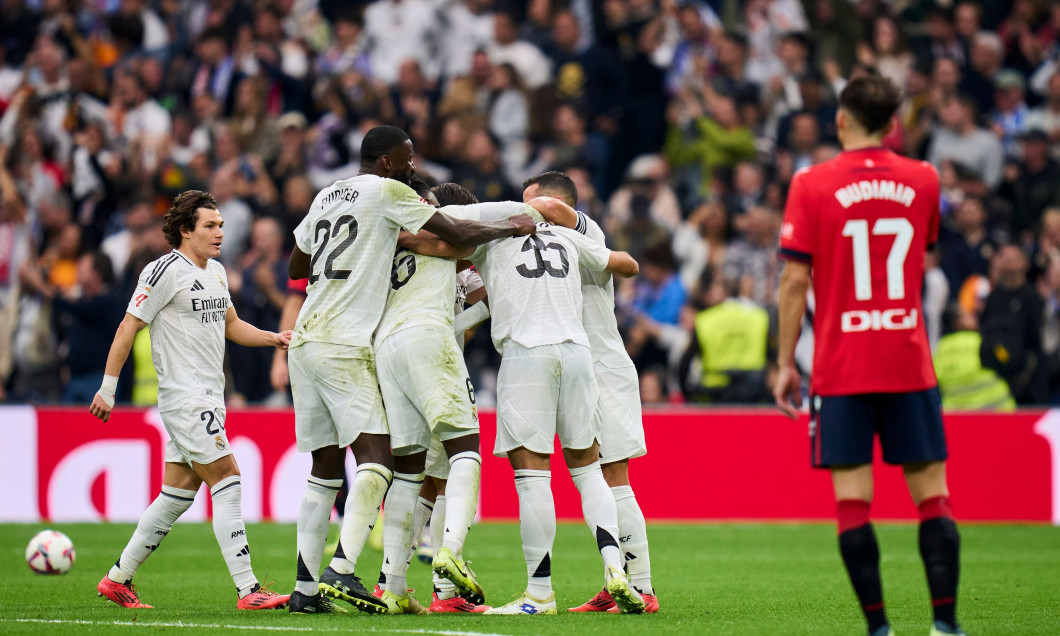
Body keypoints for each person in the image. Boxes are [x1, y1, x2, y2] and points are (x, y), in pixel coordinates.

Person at [285, 125, 536, 615]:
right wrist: (510, 228)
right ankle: (368, 565)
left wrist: (372, 250)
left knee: (329, 472)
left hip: (309, 335)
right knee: (391, 460)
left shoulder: (326, 195)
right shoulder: (391, 193)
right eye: (407, 159)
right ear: (385, 163)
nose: (412, 167)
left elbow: (298, 265)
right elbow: (458, 236)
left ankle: (313, 588)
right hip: (353, 341)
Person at [774, 73, 964, 636]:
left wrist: (786, 362)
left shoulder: (811, 183)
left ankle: (879, 629)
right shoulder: (925, 178)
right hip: (908, 361)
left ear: (840, 120)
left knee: (853, 500)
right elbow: (921, 250)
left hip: (841, 365)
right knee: (933, 495)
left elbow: (793, 279)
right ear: (894, 124)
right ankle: (945, 626)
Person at [89, 190, 292, 611]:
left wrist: (274, 338)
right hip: (185, 398)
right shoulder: (163, 270)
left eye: (221, 224)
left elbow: (231, 326)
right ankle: (249, 590)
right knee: (228, 477)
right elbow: (129, 326)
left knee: (176, 495)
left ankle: (118, 578)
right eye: (210, 226)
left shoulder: (216, 272)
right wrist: (108, 388)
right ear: (186, 230)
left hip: (209, 397)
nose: (221, 232)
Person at [453, 178, 642, 616]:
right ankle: (615, 570)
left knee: (533, 476)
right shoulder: (570, 237)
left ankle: (539, 594)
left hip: (527, 354)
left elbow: (452, 239)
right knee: (588, 470)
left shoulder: (491, 238)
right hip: (577, 354)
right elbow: (625, 264)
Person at [521, 171, 659, 613]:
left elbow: (557, 212)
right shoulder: (545, 247)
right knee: (594, 478)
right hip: (576, 368)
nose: (525, 213)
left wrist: (523, 211)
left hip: (603, 367)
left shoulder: (586, 230)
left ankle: (642, 587)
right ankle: (616, 580)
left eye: (531, 203)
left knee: (614, 478)